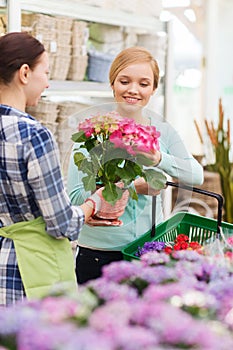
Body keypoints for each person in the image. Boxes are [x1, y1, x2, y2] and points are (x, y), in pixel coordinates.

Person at [0, 32, 127, 306]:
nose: (47, 82)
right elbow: (61, 223)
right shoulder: (33, 135)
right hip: (31, 272)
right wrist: (94, 204)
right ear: (24, 73)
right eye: (45, 72)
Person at [67, 46, 204, 284]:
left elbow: (196, 175)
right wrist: (131, 187)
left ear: (153, 89)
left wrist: (159, 159)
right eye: (124, 81)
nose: (133, 90)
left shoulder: (163, 133)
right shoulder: (93, 134)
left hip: (147, 251)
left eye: (143, 83)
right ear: (112, 83)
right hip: (98, 254)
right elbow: (76, 198)